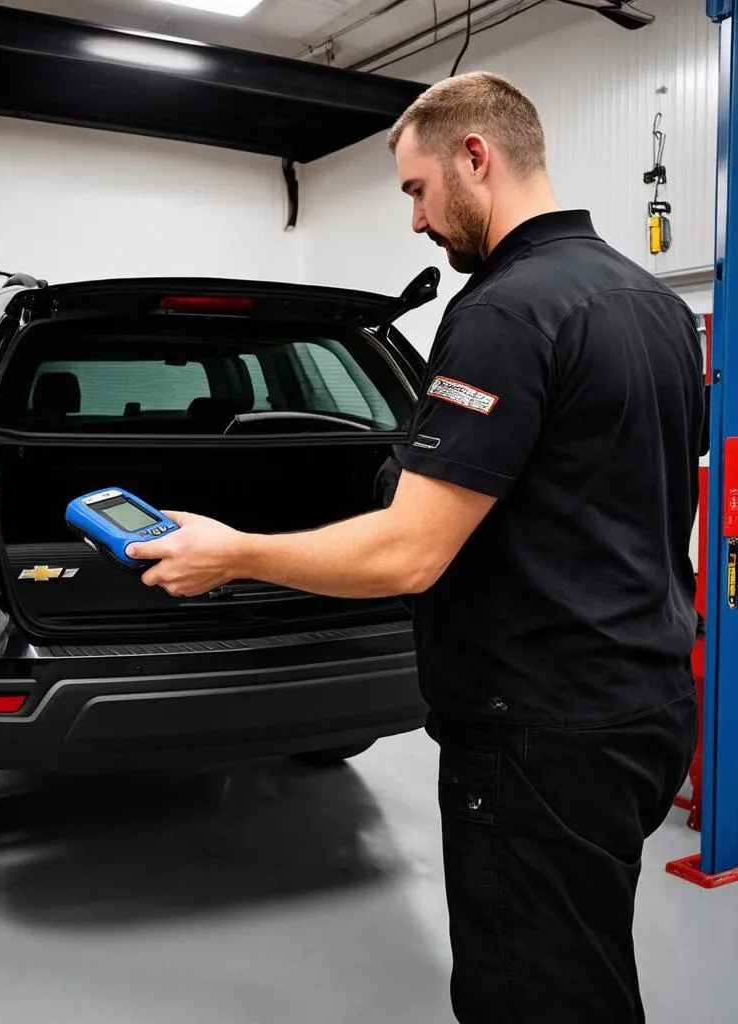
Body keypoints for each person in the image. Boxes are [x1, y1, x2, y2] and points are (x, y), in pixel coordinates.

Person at [126, 71, 703, 1024]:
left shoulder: (506, 311)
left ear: (476, 156)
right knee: (583, 951)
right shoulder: (655, 307)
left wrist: (234, 554)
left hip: (539, 728)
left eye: (415, 189)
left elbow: (408, 555)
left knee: (531, 988)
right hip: (645, 702)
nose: (416, 221)